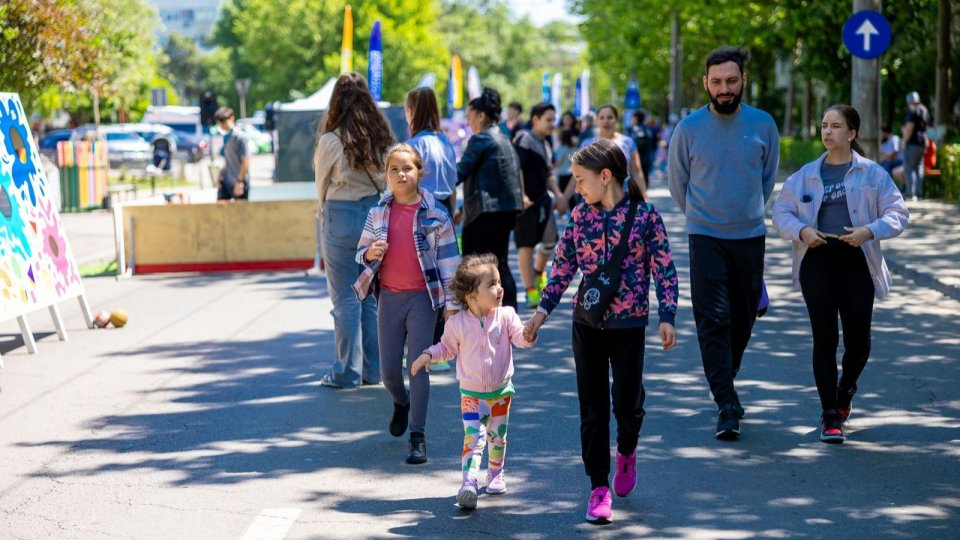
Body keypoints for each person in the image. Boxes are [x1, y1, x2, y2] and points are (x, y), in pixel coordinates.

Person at [524, 139, 678, 524]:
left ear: (605, 176)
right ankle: (598, 486)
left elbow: (664, 267)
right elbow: (561, 268)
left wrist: (667, 315)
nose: (577, 189)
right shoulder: (580, 217)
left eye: (580, 180)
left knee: (627, 404)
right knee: (592, 409)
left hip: (629, 326)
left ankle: (627, 451)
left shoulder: (645, 216)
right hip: (587, 324)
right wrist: (540, 314)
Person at [773, 104, 908, 443]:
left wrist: (870, 230)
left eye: (835, 126)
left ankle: (846, 389)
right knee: (825, 338)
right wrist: (802, 231)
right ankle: (830, 414)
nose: (827, 132)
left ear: (851, 134)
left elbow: (898, 213)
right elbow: (780, 211)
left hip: (856, 260)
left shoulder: (873, 174)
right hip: (818, 259)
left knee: (859, 341)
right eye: (824, 125)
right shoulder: (804, 175)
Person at [668, 46, 779, 440]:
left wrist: (746, 211)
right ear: (706, 84)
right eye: (716, 82)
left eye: (731, 81)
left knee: (744, 317)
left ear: (743, 81)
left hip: (750, 236)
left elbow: (767, 179)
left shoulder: (763, 124)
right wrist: (702, 216)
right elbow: (678, 183)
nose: (724, 88)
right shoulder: (689, 129)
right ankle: (726, 403)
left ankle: (724, 376)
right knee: (714, 318)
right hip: (705, 236)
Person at [353, 143, 461, 463]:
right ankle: (401, 403)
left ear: (420, 173)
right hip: (388, 297)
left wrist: (452, 309)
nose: (401, 174)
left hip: (423, 299)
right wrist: (370, 253)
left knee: (418, 366)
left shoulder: (436, 214)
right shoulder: (377, 212)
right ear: (386, 175)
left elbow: (450, 265)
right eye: (394, 169)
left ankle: (418, 436)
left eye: (408, 168)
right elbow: (361, 252)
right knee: (389, 372)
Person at [410, 254, 535, 509]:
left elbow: (520, 339)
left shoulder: (507, 316)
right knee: (473, 439)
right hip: (471, 395)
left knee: (497, 438)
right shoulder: (457, 324)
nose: (499, 289)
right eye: (491, 284)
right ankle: (468, 483)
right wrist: (428, 354)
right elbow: (446, 348)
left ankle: (495, 473)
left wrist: (529, 334)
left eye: (499, 282)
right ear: (471, 295)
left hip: (501, 392)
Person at [314, 72, 394, 389]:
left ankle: (346, 372)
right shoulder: (380, 138)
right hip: (374, 215)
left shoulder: (331, 140)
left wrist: (322, 207)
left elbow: (321, 183)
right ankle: (372, 370)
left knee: (345, 298)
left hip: (341, 214)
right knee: (369, 296)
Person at [405, 86, 458, 372]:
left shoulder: (415, 144)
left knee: (421, 282)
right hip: (445, 210)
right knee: (445, 279)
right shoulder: (445, 142)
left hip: (421, 211)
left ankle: (424, 349)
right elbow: (454, 182)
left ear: (412, 111)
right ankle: (442, 349)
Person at [457, 87, 524, 309]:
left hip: (485, 212)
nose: (468, 122)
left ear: (481, 116)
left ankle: (474, 318)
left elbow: (460, 172)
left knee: (472, 265)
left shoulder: (482, 139)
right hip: (506, 211)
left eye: (469, 117)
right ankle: (508, 315)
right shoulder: (504, 138)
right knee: (500, 264)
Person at [513, 102, 567, 309]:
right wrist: (522, 194)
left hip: (543, 200)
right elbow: (515, 168)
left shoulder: (547, 142)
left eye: (554, 120)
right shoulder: (524, 138)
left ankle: (538, 273)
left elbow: (548, 172)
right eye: (548, 120)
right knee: (526, 246)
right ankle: (530, 290)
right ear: (535, 119)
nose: (553, 124)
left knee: (550, 241)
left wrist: (560, 195)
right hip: (525, 203)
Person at [581, 105, 647, 196]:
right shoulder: (587, 144)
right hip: (595, 196)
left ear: (616, 119)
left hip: (623, 195)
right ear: (597, 120)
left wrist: (643, 195)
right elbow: (579, 173)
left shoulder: (628, 142)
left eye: (610, 117)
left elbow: (636, 171)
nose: (606, 121)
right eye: (602, 117)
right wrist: (564, 196)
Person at [214, 107, 250, 201]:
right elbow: (227, 161)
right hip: (226, 181)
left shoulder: (240, 137)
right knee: (220, 210)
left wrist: (239, 181)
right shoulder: (225, 137)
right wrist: (219, 176)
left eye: (224, 122)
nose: (222, 125)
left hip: (239, 181)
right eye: (220, 123)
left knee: (240, 213)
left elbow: (245, 161)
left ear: (231, 118)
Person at [901, 91, 930, 201]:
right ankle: (919, 194)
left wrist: (904, 141)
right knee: (919, 168)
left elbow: (909, 127)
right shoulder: (924, 109)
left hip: (912, 143)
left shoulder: (912, 111)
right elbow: (926, 127)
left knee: (909, 168)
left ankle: (910, 194)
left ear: (908, 101)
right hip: (923, 142)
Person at [554, 127, 579, 213]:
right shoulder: (574, 148)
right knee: (572, 196)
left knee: (562, 196)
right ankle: (574, 212)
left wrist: (552, 166)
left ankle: (563, 211)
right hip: (571, 173)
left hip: (563, 174)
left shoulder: (562, 148)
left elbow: (559, 163)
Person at [628, 110, 655, 184]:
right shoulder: (647, 129)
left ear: (636, 118)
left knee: (636, 182)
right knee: (645, 180)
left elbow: (636, 145)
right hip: (646, 158)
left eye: (632, 117)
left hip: (637, 160)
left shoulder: (636, 129)